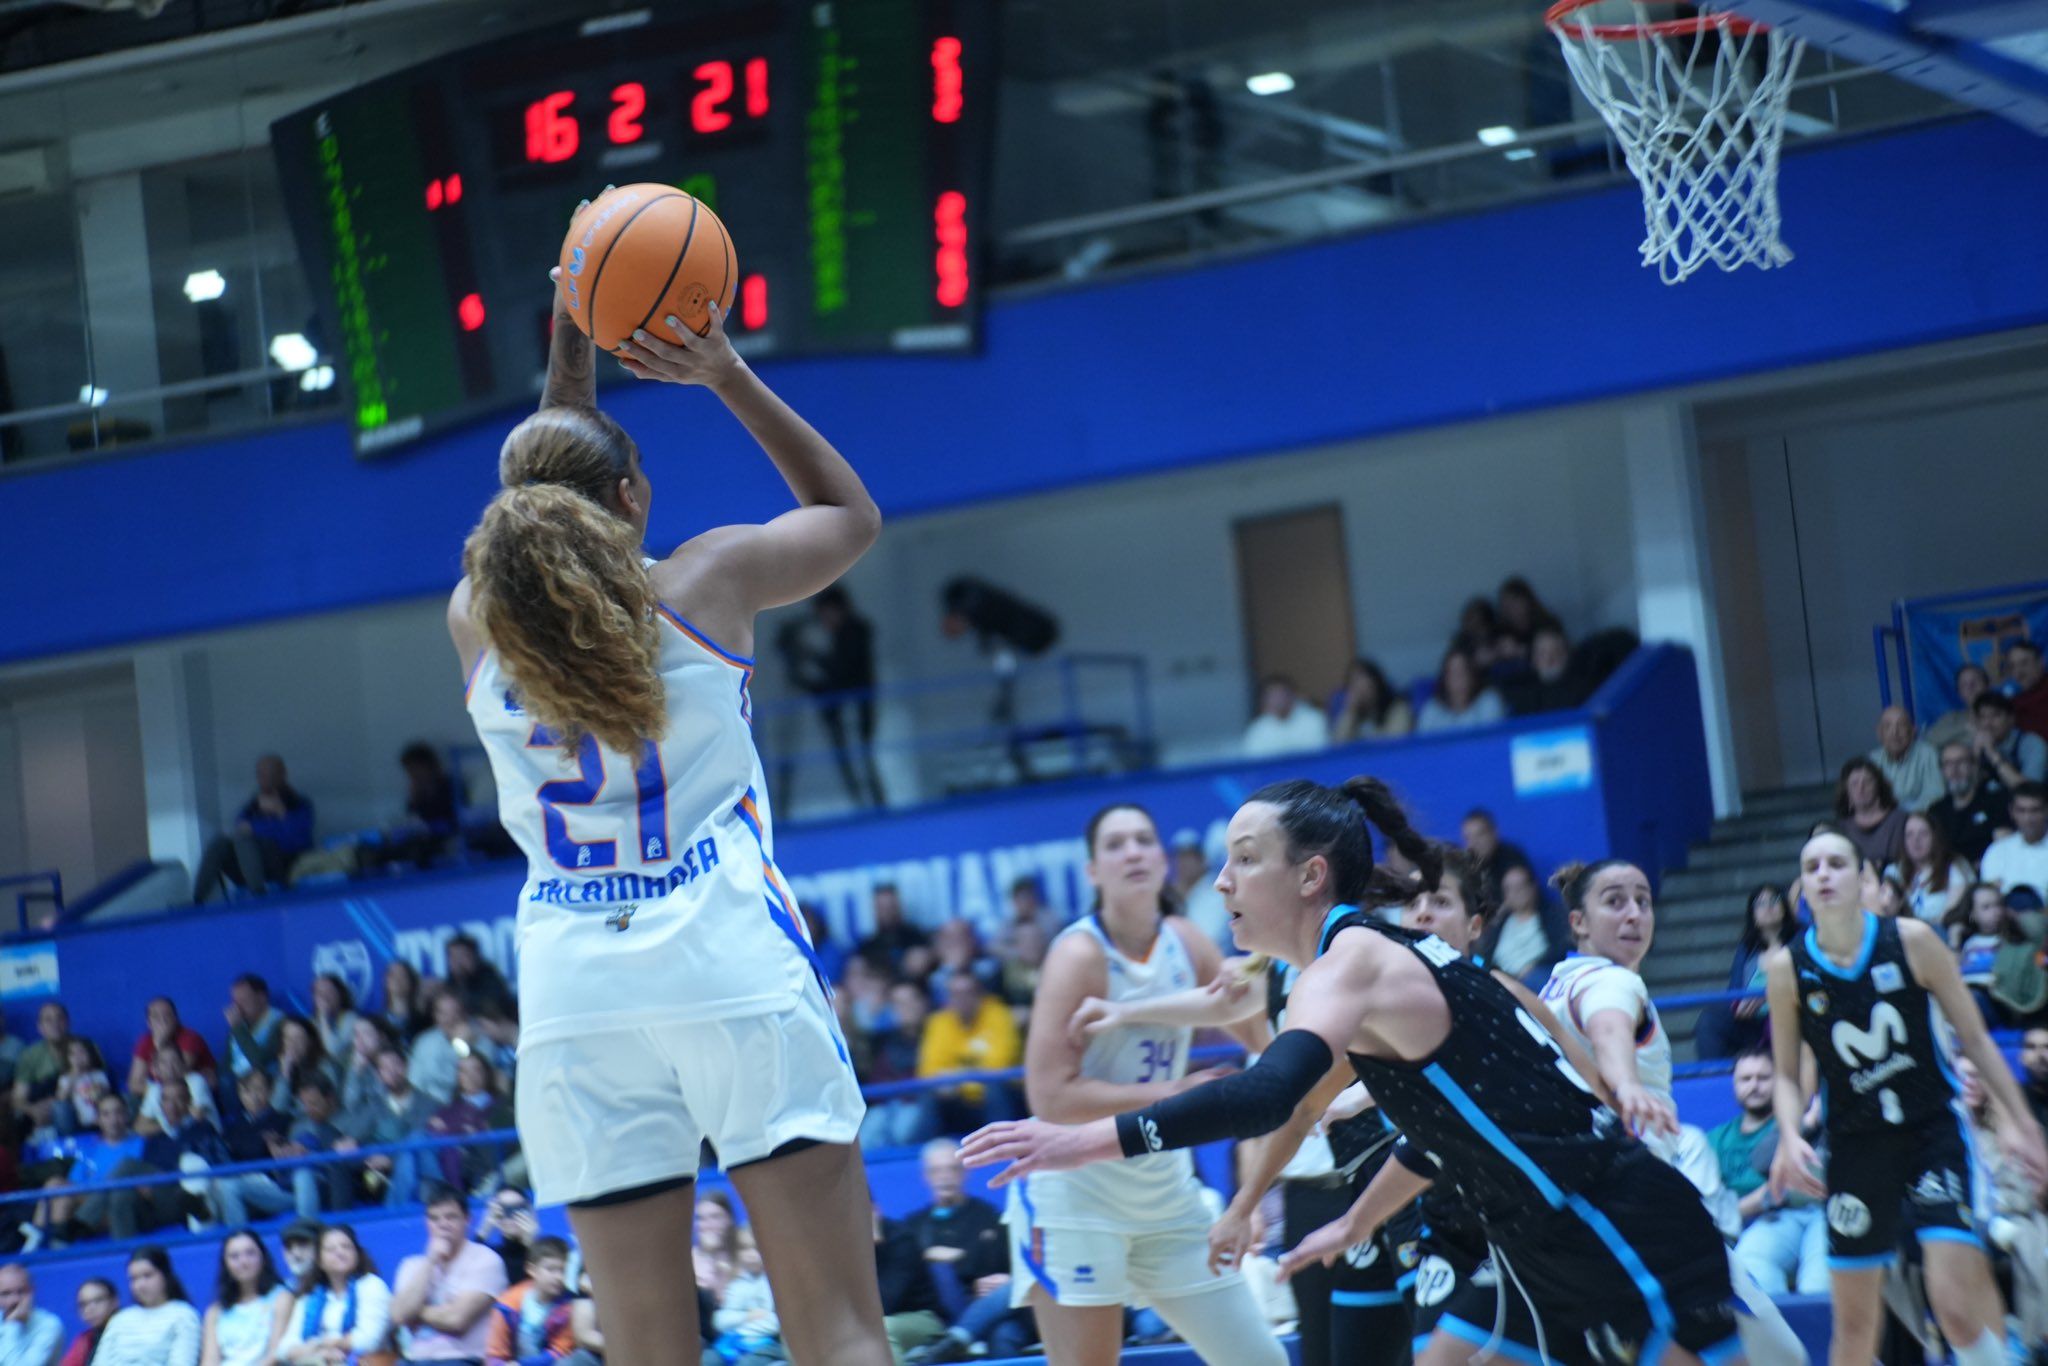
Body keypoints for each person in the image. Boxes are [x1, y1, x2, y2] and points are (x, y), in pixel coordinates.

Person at [455, 271, 887, 1364]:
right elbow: (848, 515)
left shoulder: (474, 625)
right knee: (832, 1325)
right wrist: (723, 372)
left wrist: (569, 336)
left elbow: (542, 483)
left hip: (572, 995)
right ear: (635, 499)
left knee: (647, 1347)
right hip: (724, 961)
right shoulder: (705, 584)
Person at [963, 776, 1743, 1366]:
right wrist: (1357, 1220)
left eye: (1244, 860)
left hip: (1610, 1216)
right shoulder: (1362, 962)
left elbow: (1271, 1093)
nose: (1222, 882)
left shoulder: (1353, 962)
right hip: (1545, 1234)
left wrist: (1079, 1141)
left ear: (1309, 877)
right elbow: (1447, 1131)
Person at [1000, 802, 1284, 1366]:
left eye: (1143, 840)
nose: (1132, 851)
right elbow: (1050, 1096)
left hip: (1167, 1200)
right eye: (1115, 843)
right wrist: (1173, 1094)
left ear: (1162, 860)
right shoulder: (1078, 953)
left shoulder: (1186, 939)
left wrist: (1262, 977)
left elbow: (1263, 1040)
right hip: (1076, 1201)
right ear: (1092, 871)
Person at [1766, 825, 2048, 1366]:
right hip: (1854, 1147)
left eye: (1836, 864)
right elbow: (1784, 1073)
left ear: (1865, 877)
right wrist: (1788, 1134)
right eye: (1811, 868)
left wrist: (2021, 1122)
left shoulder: (1913, 939)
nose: (1823, 874)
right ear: (1801, 891)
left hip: (1930, 1132)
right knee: (1853, 1331)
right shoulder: (1787, 969)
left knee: (1954, 1307)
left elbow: (1975, 1039)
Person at [1536, 860, 1804, 1366]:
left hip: (1587, 1208)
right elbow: (1610, 1028)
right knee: (1778, 1353)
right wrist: (1627, 1083)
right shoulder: (1612, 984)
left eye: (1643, 900)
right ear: (1578, 922)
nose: (1635, 913)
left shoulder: (1552, 990)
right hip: (1643, 1207)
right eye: (1615, 901)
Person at [902, 1139, 1029, 1364]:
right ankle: (956, 1338)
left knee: (1004, 1333)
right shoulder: (912, 1227)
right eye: (936, 1170)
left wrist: (996, 1277)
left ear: (964, 1173)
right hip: (938, 1311)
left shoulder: (990, 1218)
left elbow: (1013, 1269)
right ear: (925, 1176)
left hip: (988, 1305)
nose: (944, 1176)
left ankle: (953, 1341)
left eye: (952, 1169)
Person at [1710, 1053, 1827, 1296]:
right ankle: (1778, 1334)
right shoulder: (1716, 1138)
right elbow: (1762, 1160)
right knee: (1749, 1264)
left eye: (1763, 1078)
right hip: (1775, 1218)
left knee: (1817, 1283)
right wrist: (1804, 1123)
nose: (1754, 1086)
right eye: (1746, 1079)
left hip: (1824, 1212)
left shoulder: (1816, 1118)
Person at [785, 585, 886, 808]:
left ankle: (875, 808)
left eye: (827, 612)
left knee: (863, 762)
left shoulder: (856, 632)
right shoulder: (844, 635)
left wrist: (812, 656)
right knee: (850, 763)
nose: (824, 619)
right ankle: (866, 806)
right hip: (842, 712)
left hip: (856, 710)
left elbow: (842, 671)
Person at [390, 1186, 508, 1360]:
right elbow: (398, 1315)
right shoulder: (411, 1265)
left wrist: (415, 1312)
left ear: (467, 1219)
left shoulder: (486, 1259)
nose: (442, 1225)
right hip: (415, 1361)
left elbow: (456, 1320)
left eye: (450, 1217)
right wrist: (430, 1261)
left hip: (464, 1359)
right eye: (434, 1219)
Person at [192, 754, 315, 903]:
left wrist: (279, 813)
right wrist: (267, 828)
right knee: (221, 843)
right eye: (260, 773)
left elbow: (297, 841)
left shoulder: (298, 804)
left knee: (244, 838)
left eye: (269, 773)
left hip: (285, 865)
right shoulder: (253, 807)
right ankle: (197, 900)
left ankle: (258, 896)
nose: (263, 778)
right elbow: (240, 827)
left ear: (282, 774)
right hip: (250, 867)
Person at [1695, 885, 1797, 1060]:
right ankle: (1713, 1077)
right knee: (1710, 1019)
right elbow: (1734, 990)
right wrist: (1739, 1006)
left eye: (1774, 900)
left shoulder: (1800, 940)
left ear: (1784, 907)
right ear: (1753, 914)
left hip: (1787, 1016)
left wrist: (1770, 995)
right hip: (1750, 1021)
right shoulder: (1747, 949)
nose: (1768, 907)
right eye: (1760, 904)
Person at [916, 968, 1022, 1133]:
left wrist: (956, 1078)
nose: (962, 1000)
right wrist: (967, 1078)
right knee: (931, 1096)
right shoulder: (938, 1022)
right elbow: (929, 1070)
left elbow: (999, 1066)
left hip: (997, 1096)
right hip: (958, 1099)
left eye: (968, 993)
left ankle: (1003, 1145)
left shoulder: (999, 1015)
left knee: (995, 1088)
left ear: (980, 995)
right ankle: (923, 1152)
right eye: (955, 994)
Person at [277, 1223, 393, 1364]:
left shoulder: (371, 1285)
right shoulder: (310, 1294)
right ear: (319, 1261)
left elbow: (368, 1341)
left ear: (357, 1253)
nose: (340, 1252)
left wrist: (325, 1344)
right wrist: (321, 1351)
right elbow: (283, 1349)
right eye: (331, 1249)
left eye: (346, 1247)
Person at [339, 1047, 435, 1207]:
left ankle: (394, 1211)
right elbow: (351, 1138)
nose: (391, 1071)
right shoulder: (373, 1107)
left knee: (412, 1149)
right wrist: (348, 1144)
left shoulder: (429, 1104)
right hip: (383, 1180)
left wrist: (391, 1160)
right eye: (384, 1068)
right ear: (378, 1074)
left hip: (424, 1177)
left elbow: (426, 1148)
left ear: (406, 1067)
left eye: (396, 1065)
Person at [1944, 882, 2047, 1025]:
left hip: (2000, 1001)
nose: (1995, 911)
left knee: (1973, 998)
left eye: (1998, 905)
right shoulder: (1968, 943)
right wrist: (1954, 939)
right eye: (1986, 907)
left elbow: (2039, 928)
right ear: (1972, 914)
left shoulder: (2013, 940)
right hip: (1967, 995)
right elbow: (1952, 973)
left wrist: (2015, 916)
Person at [212, 1069, 298, 1227]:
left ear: (271, 1091)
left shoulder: (284, 1121)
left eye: (259, 1089)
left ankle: (240, 1240)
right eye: (247, 1090)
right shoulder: (233, 1126)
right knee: (213, 1184)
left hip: (277, 1189)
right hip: (244, 1187)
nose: (253, 1096)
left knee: (228, 1185)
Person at [92, 1246, 201, 1366]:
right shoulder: (119, 1319)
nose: (140, 1285)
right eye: (134, 1279)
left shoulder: (183, 1315)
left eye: (147, 1276)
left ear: (165, 1275)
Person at [201, 1229, 291, 1366]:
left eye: (250, 1253)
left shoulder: (281, 1298)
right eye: (234, 1256)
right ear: (225, 1264)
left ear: (263, 1257)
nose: (243, 1262)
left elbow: (275, 1355)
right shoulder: (215, 1312)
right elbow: (209, 1362)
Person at [1473, 861, 1569, 986]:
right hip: (1502, 980)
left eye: (1520, 887)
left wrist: (1534, 966)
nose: (1516, 893)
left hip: (1537, 976)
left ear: (1532, 887)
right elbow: (1482, 956)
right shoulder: (1499, 924)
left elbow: (1563, 948)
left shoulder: (1551, 917)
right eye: (1509, 889)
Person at [485, 1234, 576, 1365]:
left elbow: (561, 1351)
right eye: (551, 1269)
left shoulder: (569, 1306)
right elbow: (494, 1354)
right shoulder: (507, 1304)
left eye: (563, 1270)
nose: (559, 1277)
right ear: (531, 1270)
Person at [873, 1206, 947, 1365]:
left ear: (875, 1211)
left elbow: (886, 1303)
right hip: (869, 1320)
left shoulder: (902, 1240)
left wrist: (871, 1246)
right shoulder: (841, 1248)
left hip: (924, 1318)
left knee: (880, 1330)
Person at [1887, 810, 1975, 927]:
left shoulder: (1953, 870)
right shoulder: (1893, 872)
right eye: (1909, 835)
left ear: (1935, 837)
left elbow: (1950, 916)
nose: (1916, 840)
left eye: (1923, 834)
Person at [1932, 740, 2010, 866]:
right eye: (1948, 764)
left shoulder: (1995, 802)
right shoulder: (1936, 811)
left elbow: (2004, 850)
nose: (1954, 770)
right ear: (1942, 770)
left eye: (1961, 762)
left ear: (1974, 766)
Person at [128, 997, 218, 1099]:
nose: (163, 1020)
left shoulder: (190, 1037)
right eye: (156, 1017)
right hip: (163, 1093)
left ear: (176, 1018)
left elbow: (174, 1074)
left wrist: (161, 1042)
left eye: (167, 1015)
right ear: (148, 1023)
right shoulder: (145, 1041)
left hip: (191, 1092)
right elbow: (134, 1084)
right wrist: (155, 1091)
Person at [1981, 781, 2048, 906]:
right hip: (2003, 919)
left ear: (2046, 811)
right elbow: (1987, 897)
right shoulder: (1997, 851)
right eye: (2021, 811)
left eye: (2035, 810)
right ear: (2012, 812)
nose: (2028, 818)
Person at [1835, 757, 1908, 869]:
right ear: (1847, 792)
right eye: (1854, 784)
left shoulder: (1900, 820)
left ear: (1878, 787)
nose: (1861, 788)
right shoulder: (1842, 828)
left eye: (1867, 782)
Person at [1415, 647, 1505, 734]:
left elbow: (1494, 741)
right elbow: (1423, 746)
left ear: (1472, 676)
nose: (1459, 679)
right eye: (1454, 673)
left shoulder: (1489, 702)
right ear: (1445, 679)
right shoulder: (1432, 710)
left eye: (1463, 672)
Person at [1871, 706, 1944, 812]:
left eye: (1901, 725)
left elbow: (1935, 797)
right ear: (1879, 734)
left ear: (1913, 730)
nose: (1895, 732)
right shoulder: (1874, 759)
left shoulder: (1927, 754)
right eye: (1887, 727)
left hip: (1919, 820)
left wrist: (1899, 814)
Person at [1329, 657, 1414, 744]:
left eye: (1364, 681)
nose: (1359, 688)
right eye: (1354, 683)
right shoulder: (1353, 714)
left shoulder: (1398, 707)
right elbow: (1338, 744)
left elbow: (1395, 741)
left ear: (1376, 683)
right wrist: (1351, 710)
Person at [1171, 830, 1231, 950]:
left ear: (1202, 860)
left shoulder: (1216, 895)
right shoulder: (1175, 896)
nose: (1184, 864)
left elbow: (1208, 940)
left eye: (1190, 857)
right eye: (1180, 857)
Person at [1456, 809, 1529, 908]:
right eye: (1468, 838)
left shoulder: (1512, 859)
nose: (1474, 843)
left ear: (1494, 833)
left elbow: (1516, 903)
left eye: (1479, 835)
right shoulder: (1465, 866)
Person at [1241, 677, 1330, 758]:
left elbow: (1321, 753)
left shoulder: (1314, 719)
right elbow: (1253, 760)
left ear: (1293, 695)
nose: (1277, 701)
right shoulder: (1258, 728)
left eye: (1281, 694)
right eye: (1272, 696)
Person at [1975, 691, 2047, 789]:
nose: (1988, 724)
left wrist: (1992, 754)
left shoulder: (2033, 744)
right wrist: (1975, 756)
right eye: (1983, 717)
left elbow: (2029, 791)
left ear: (2011, 719)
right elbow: (1965, 794)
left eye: (1995, 715)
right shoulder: (1976, 745)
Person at [859, 885, 932, 977]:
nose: (887, 912)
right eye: (882, 908)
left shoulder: (918, 938)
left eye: (891, 906)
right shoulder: (867, 948)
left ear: (899, 906)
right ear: (875, 909)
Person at [223, 975, 283, 1083]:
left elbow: (259, 1061)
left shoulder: (279, 1022)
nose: (238, 1007)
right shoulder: (241, 1024)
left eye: (243, 1001)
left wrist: (237, 1028)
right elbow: (227, 1062)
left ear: (262, 998)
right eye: (235, 1002)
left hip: (265, 1081)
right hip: (240, 1082)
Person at [0, 1263, 63, 1366]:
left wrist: (12, 1324)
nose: (14, 1300)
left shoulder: (49, 1325)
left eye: (21, 1292)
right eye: (6, 1294)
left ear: (32, 1292)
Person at [1926, 664, 1992, 753]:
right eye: (1964, 685)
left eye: (1975, 682)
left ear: (1987, 686)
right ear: (1960, 693)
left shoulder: (2001, 715)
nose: (1970, 688)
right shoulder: (1951, 719)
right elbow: (1928, 742)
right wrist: (1966, 729)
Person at [58, 1279, 116, 1366]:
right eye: (83, 1304)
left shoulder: (128, 1333)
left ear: (114, 1301)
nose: (90, 1309)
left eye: (98, 1300)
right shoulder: (84, 1340)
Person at [311, 974, 362, 1067]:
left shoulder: (351, 1019)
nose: (324, 997)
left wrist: (323, 1016)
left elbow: (333, 1050)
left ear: (339, 994)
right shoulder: (312, 1022)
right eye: (319, 993)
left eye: (329, 991)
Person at [2009, 640, 2048, 740]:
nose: (2018, 672)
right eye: (2013, 666)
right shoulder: (2013, 704)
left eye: (2024, 663)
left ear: (2040, 662)